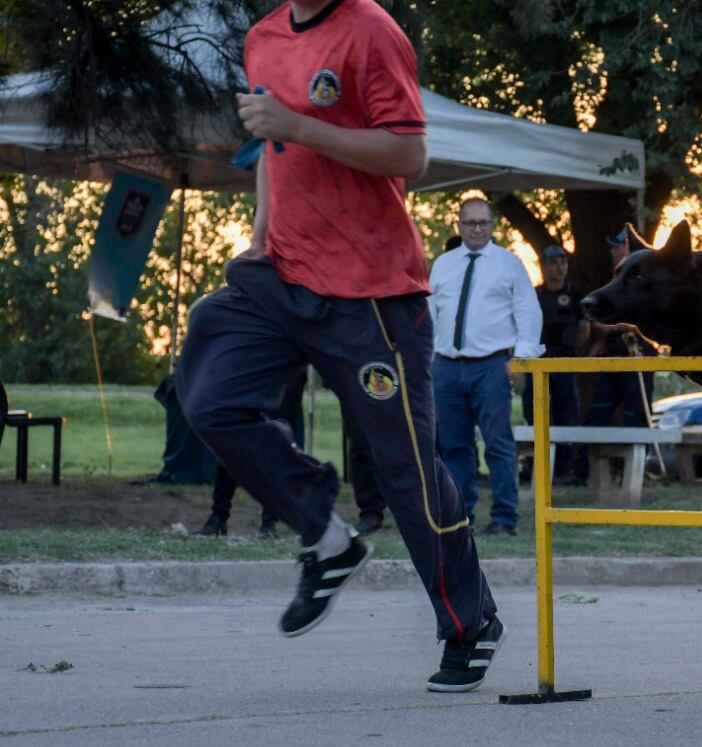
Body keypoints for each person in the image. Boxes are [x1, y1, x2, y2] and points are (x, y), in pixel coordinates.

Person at [177, 0, 502, 693]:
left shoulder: (371, 31)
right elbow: (273, 148)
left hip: (372, 293)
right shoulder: (264, 36)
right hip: (283, 275)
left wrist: (301, 125)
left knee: (406, 468)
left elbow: (409, 153)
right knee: (208, 396)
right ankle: (323, 534)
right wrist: (261, 237)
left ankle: (470, 621)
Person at [429, 197, 543, 535]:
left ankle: (504, 518)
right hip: (446, 366)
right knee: (454, 446)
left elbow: (528, 311)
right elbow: (431, 314)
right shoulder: (443, 264)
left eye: (483, 223)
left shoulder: (509, 264)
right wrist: (427, 359)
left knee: (498, 444)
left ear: (493, 225)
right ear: (459, 226)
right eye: (470, 223)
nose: (477, 229)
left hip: (491, 366)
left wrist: (520, 360)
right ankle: (460, 516)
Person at [572, 228, 657, 481]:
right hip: (614, 353)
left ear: (628, 247)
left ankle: (638, 474)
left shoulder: (649, 279)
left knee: (637, 417)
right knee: (597, 412)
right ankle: (581, 473)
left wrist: (612, 325)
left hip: (637, 355)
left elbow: (649, 317)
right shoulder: (616, 278)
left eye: (616, 246)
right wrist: (603, 337)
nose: (611, 251)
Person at [195, 369, 307, 539]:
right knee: (231, 436)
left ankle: (268, 520)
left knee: (273, 442)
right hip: (248, 367)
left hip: (281, 368)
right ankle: (219, 515)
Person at [521, 244, 588, 484]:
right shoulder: (534, 295)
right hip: (537, 362)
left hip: (564, 362)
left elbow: (584, 330)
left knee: (566, 412)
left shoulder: (575, 296)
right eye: (554, 262)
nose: (559, 267)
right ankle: (535, 465)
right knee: (533, 413)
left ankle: (562, 468)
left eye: (563, 262)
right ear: (544, 265)